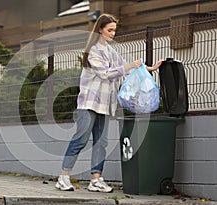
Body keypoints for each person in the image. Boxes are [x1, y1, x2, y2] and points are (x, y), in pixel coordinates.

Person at [55, 13, 162, 192]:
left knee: (101, 142)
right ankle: (63, 176)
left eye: (114, 30)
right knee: (80, 138)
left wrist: (148, 68)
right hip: (89, 103)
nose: (113, 33)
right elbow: (106, 73)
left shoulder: (111, 51)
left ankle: (95, 179)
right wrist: (129, 67)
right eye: (110, 30)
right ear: (100, 30)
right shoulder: (93, 51)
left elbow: (126, 67)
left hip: (105, 104)